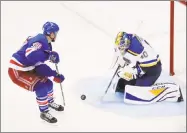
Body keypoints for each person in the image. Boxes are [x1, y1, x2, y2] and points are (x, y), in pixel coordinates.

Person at [8, 21, 65, 123]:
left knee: (48, 83)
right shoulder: (40, 42)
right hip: (17, 70)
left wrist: (54, 74)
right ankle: (44, 112)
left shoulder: (44, 42)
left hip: (29, 67)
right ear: (51, 33)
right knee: (41, 87)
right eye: (55, 33)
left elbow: (38, 65)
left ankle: (49, 102)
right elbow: (29, 54)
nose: (56, 35)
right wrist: (48, 56)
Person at [112, 32, 183, 104]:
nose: (121, 47)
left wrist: (132, 74)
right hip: (147, 65)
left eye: (122, 45)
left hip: (153, 70)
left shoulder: (137, 50)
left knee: (138, 89)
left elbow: (143, 69)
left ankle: (173, 90)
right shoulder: (131, 38)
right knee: (123, 82)